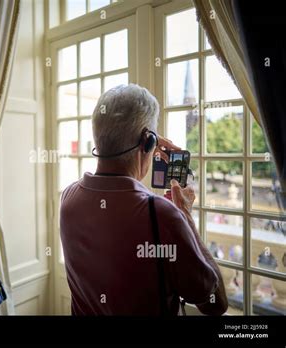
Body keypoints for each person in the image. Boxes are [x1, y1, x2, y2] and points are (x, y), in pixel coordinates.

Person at [60, 84, 228, 315]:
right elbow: (215, 304)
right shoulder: (162, 214)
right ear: (148, 141)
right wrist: (185, 214)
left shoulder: (68, 198)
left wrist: (142, 141)